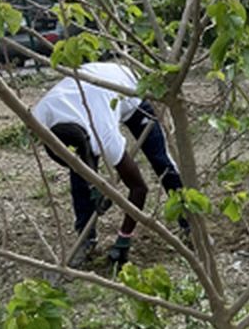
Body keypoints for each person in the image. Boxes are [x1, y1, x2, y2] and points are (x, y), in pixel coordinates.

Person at [31, 61, 184, 267]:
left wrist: (124, 238)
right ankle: (86, 238)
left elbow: (139, 188)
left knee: (160, 160)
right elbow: (75, 159)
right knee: (80, 175)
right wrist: (95, 186)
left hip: (126, 87)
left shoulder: (105, 135)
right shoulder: (39, 117)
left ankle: (189, 221)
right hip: (88, 90)